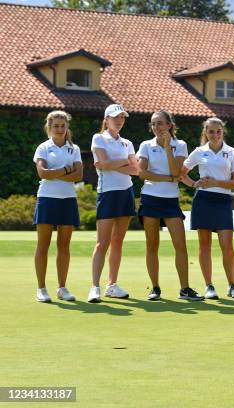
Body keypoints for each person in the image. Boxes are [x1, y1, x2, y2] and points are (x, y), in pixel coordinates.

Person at [137, 110, 203, 301]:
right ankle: (155, 288)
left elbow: (177, 171)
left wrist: (167, 148)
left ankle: (185, 289)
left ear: (169, 125)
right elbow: (142, 173)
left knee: (180, 245)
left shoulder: (179, 145)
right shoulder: (145, 145)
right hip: (150, 198)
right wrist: (167, 178)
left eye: (160, 123)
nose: (156, 127)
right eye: (153, 124)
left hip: (170, 200)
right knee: (152, 245)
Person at [181, 117, 234, 299]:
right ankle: (209, 286)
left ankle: (232, 285)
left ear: (223, 132)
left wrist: (216, 182)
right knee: (204, 246)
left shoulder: (231, 152)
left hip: (223, 200)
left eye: (218, 131)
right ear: (205, 133)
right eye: (211, 131)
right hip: (203, 200)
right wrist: (194, 184)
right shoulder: (199, 151)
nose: (215, 135)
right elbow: (181, 174)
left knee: (227, 246)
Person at [88, 104, 139, 303]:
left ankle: (112, 285)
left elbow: (135, 170)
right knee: (102, 243)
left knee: (118, 241)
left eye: (122, 118)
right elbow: (103, 162)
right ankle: (95, 287)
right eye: (115, 117)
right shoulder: (98, 138)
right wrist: (122, 163)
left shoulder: (127, 143)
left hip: (126, 192)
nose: (119, 121)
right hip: (107, 194)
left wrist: (110, 164)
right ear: (106, 119)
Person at [32, 111, 82, 302]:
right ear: (49, 127)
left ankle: (62, 288)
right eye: (56, 126)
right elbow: (43, 173)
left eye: (63, 126)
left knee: (64, 246)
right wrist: (65, 170)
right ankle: (41, 289)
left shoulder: (74, 149)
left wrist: (57, 173)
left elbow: (78, 175)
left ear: (67, 127)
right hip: (47, 199)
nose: (60, 129)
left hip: (68, 199)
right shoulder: (43, 148)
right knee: (43, 245)